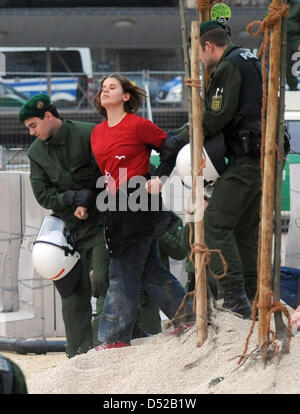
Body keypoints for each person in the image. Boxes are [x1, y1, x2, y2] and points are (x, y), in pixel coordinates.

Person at [90, 74, 195, 349]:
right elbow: (105, 170)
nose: (105, 91)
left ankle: (114, 339)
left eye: (111, 87)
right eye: (102, 88)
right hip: (115, 206)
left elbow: (171, 148)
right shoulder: (97, 132)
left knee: (121, 271)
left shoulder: (138, 125)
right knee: (151, 272)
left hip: (140, 202)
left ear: (126, 96)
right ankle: (188, 317)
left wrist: (160, 176)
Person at [19, 94, 109, 358]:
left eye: (33, 125)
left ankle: (103, 346)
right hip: (66, 232)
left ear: (48, 116)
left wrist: (89, 196)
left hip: (100, 222)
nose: (31, 132)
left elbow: (107, 171)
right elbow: (42, 194)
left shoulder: (88, 133)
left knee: (104, 279)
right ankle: (77, 355)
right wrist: (70, 199)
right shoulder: (36, 152)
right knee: (71, 292)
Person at [198, 21, 263, 319]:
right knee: (244, 231)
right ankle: (250, 296)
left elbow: (216, 116)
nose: (201, 60)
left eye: (200, 53)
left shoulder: (228, 66)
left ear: (209, 46)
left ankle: (235, 296)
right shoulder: (252, 59)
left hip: (246, 156)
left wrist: (190, 129)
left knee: (214, 224)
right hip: (265, 155)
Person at [286, 0, 300, 91]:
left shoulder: (298, 3)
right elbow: (269, 16)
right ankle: (293, 87)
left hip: (296, 38)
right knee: (286, 65)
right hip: (283, 38)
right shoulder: (278, 3)